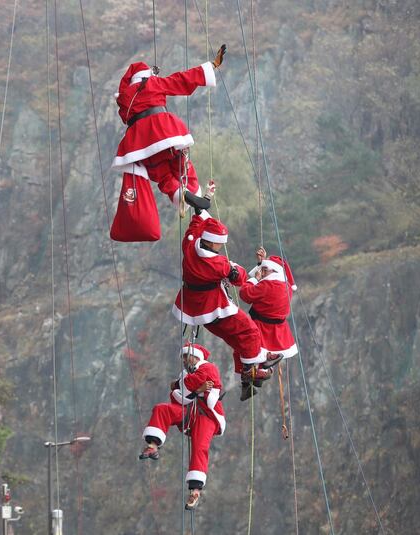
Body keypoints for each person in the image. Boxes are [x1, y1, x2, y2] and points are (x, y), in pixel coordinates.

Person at [110, 45, 226, 239]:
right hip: (164, 131)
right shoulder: (152, 84)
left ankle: (183, 195)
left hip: (140, 143)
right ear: (146, 75)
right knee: (181, 162)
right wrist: (211, 66)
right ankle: (190, 193)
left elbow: (126, 117)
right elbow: (181, 80)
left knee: (162, 176)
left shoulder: (123, 99)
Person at [172, 205, 284, 386]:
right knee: (249, 331)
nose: (221, 245)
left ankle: (259, 358)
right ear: (213, 241)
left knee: (234, 337)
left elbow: (194, 228)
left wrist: (200, 210)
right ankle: (249, 370)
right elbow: (239, 277)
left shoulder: (190, 245)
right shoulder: (217, 264)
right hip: (213, 306)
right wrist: (242, 271)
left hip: (195, 308)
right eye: (220, 242)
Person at [139, 343, 225, 510]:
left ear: (196, 356)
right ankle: (152, 445)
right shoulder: (185, 374)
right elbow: (177, 395)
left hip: (206, 415)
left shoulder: (209, 367)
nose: (184, 360)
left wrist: (181, 385)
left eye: (186, 356)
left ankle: (195, 490)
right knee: (162, 409)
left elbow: (192, 383)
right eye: (183, 357)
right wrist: (189, 388)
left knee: (200, 446)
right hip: (189, 411)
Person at [236, 249, 298, 400]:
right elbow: (265, 282)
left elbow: (246, 294)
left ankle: (253, 375)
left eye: (264, 270)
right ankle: (261, 371)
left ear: (274, 271)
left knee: (245, 349)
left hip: (260, 325)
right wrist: (261, 263)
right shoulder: (286, 286)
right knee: (260, 352)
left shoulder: (268, 286)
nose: (262, 273)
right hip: (277, 328)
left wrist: (253, 280)